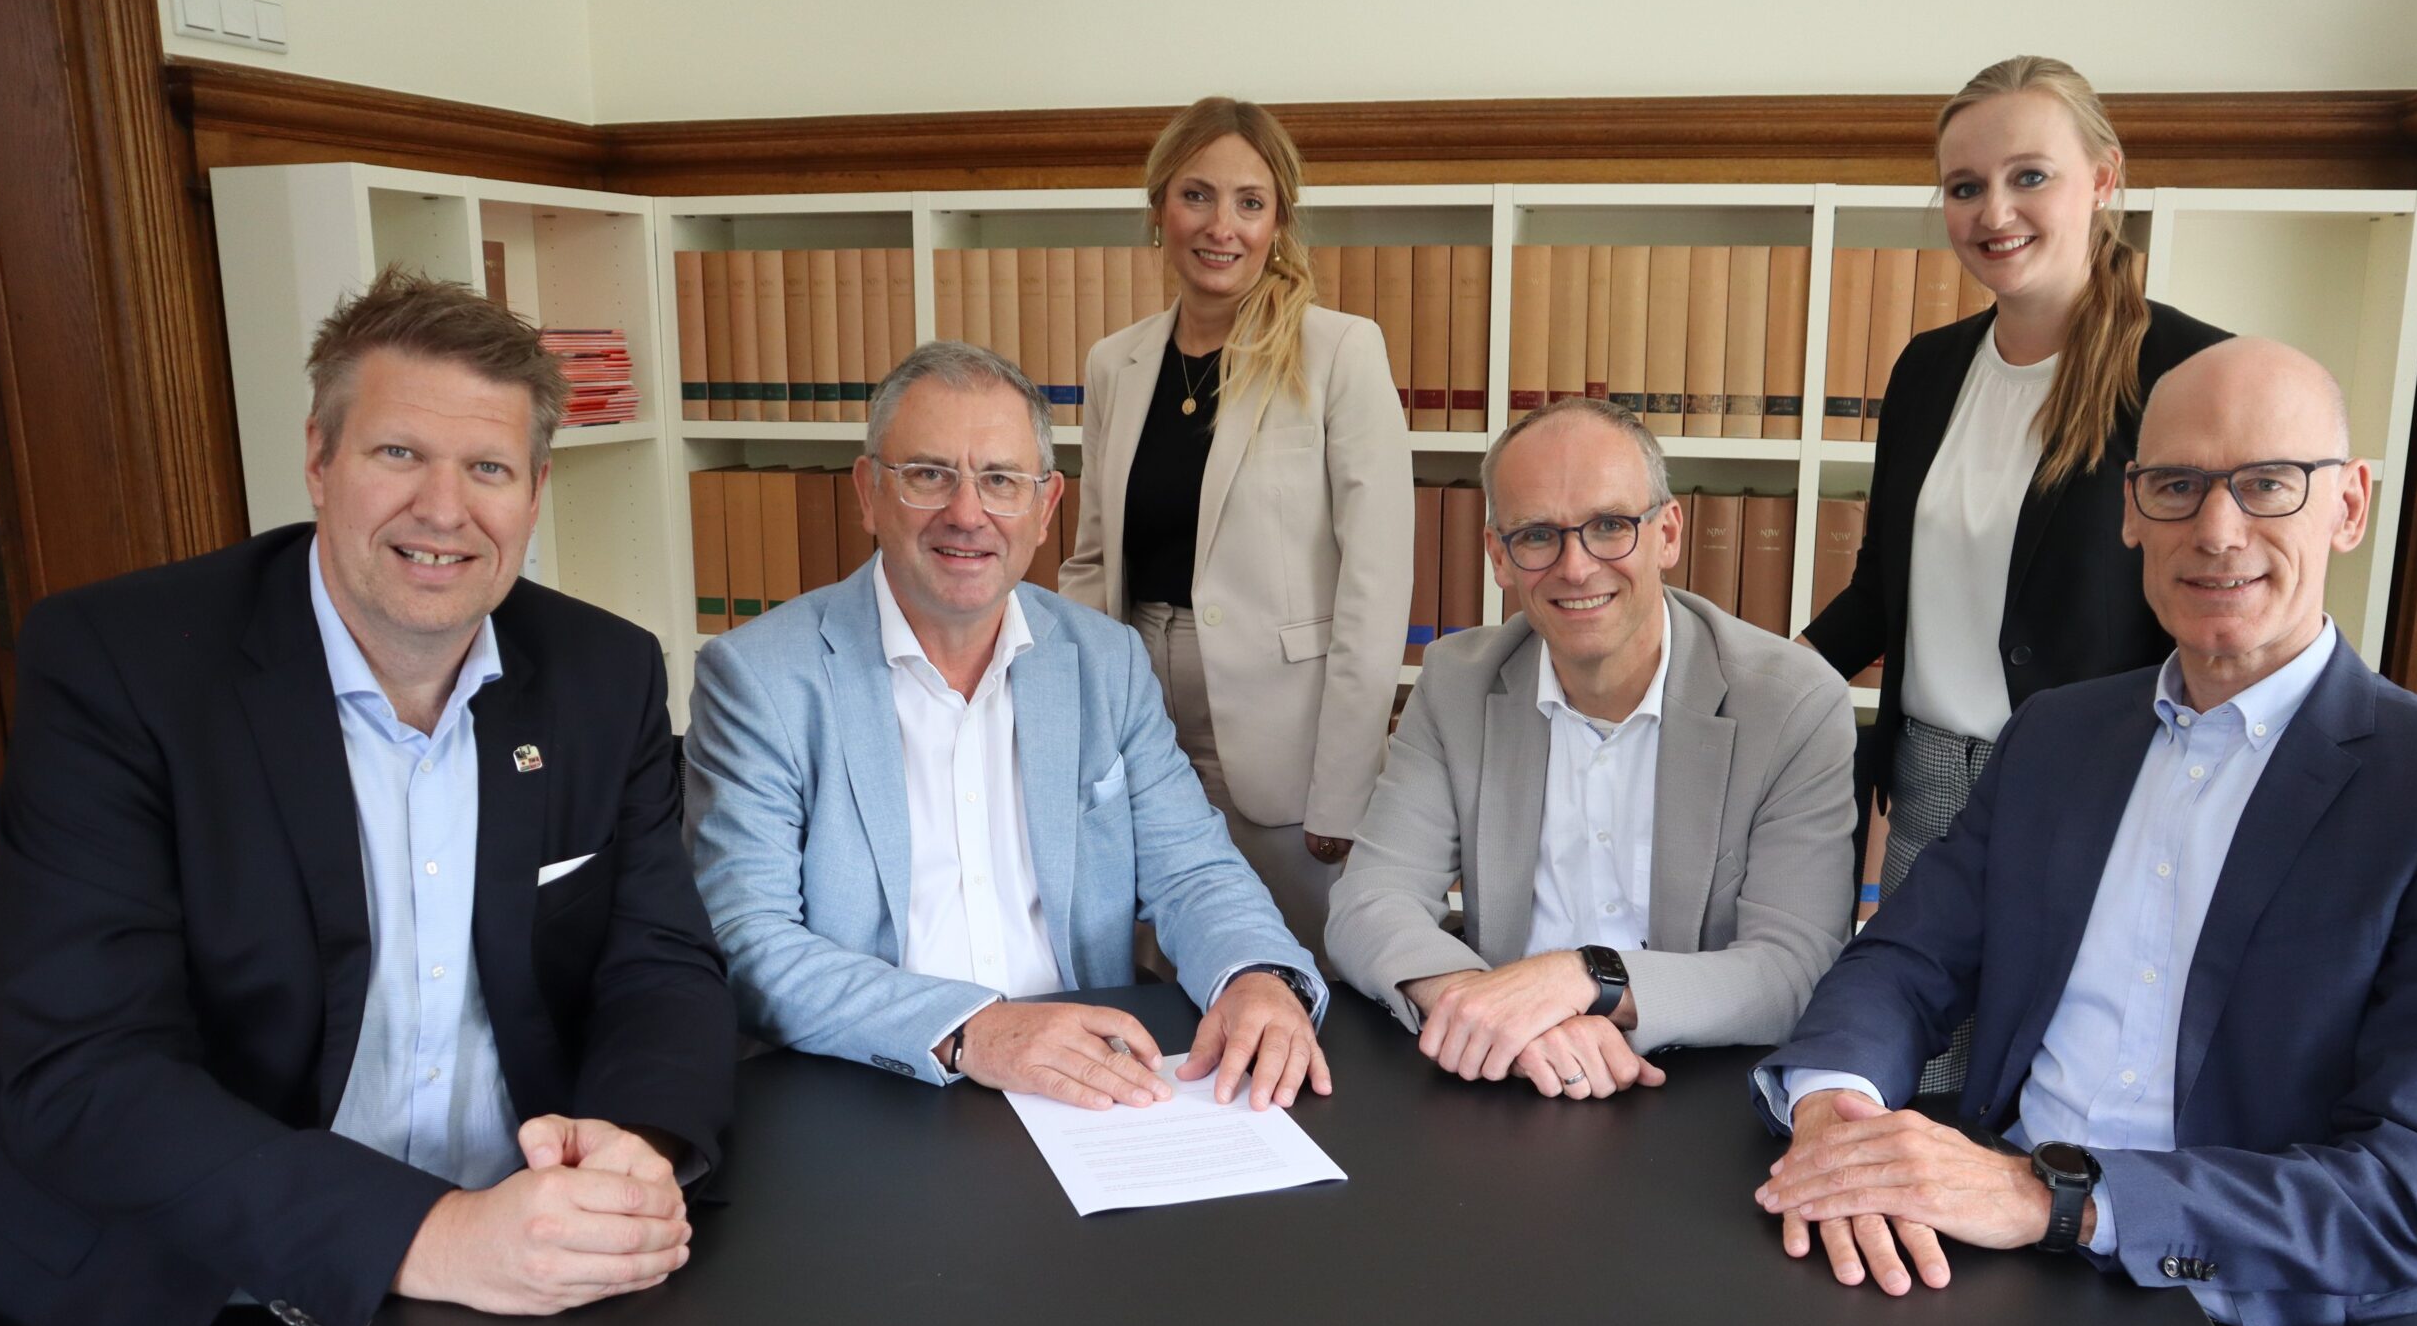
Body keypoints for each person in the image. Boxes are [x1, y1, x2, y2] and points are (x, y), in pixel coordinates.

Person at [1748, 338, 2417, 1326]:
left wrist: (2056, 1197)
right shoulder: (2058, 735)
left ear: (2348, 503)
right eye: (2178, 485)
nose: (2219, 528)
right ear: (2131, 511)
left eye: (2269, 482)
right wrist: (1838, 1112)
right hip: (1989, 1261)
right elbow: (1901, 962)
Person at [0, 270, 735, 1326]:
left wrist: (632, 1145)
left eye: (488, 468)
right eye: (399, 452)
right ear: (319, 459)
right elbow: (80, 1074)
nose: (443, 509)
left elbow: (661, 966)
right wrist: (423, 1237)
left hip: (525, 1275)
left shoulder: (603, 673)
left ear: (535, 491)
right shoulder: (122, 666)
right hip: (214, 1316)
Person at [688, 340, 1329, 1115]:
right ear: (868, 493)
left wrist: (1256, 974)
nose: (968, 513)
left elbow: (1194, 871)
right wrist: (972, 1031)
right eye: (929, 474)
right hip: (876, 1087)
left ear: (1046, 507)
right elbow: (748, 940)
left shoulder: (1105, 662)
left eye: (1000, 480)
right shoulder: (758, 678)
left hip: (1088, 1088)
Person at [1802, 55, 2229, 1092]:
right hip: (1925, 782)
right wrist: (1754, 678)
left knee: (2057, 1081)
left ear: (2103, 178)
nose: (1992, 212)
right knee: (1922, 1077)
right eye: (1964, 186)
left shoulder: (2188, 371)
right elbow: (1882, 591)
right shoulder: (1926, 368)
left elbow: (2216, 610)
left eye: (2028, 176)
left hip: (2099, 786)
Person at [1327, 398, 1855, 1098]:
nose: (1575, 568)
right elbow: (1369, 900)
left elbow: (1795, 969)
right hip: (1508, 1077)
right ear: (1499, 558)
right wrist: (1496, 1009)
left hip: (1699, 1086)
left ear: (1668, 534)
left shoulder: (1792, 705)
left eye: (1610, 526)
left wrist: (1585, 979)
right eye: (1538, 535)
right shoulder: (1457, 683)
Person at [1058, 96, 1413, 969]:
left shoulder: (1340, 352)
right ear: (1159, 210)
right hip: (1135, 702)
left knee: (1297, 970)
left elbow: (1375, 583)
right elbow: (1092, 558)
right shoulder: (1115, 363)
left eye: (1250, 202)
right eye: (1198, 195)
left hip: (1283, 739)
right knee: (1155, 962)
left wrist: (1344, 788)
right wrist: (1073, 721)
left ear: (1278, 222)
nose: (1223, 226)